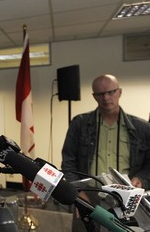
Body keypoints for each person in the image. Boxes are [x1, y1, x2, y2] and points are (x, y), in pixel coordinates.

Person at [61, 74, 150, 231]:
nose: (106, 97)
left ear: (119, 92)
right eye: (100, 94)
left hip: (128, 197)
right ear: (94, 96)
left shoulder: (142, 128)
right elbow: (68, 160)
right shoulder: (80, 123)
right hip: (89, 194)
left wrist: (141, 179)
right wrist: (77, 192)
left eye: (111, 92)